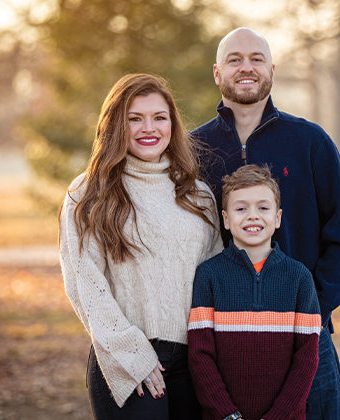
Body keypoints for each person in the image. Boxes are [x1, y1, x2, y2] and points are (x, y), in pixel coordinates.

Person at [190, 28, 340, 419]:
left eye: (256, 58)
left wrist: (314, 307)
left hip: (305, 330)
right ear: (218, 73)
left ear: (272, 69)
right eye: (234, 60)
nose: (246, 67)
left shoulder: (310, 141)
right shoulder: (193, 150)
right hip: (222, 338)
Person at [59, 73, 222, 419]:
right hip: (125, 360)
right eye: (135, 118)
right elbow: (84, 284)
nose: (149, 128)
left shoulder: (198, 195)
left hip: (194, 364)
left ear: (173, 125)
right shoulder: (87, 193)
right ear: (116, 125)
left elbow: (216, 278)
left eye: (159, 117)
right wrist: (132, 354)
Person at [188, 164, 321, 420]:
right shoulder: (209, 275)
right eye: (241, 209)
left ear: (278, 217)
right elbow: (199, 356)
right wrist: (228, 415)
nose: (252, 216)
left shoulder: (299, 278)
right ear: (226, 219)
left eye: (263, 207)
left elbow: (307, 359)